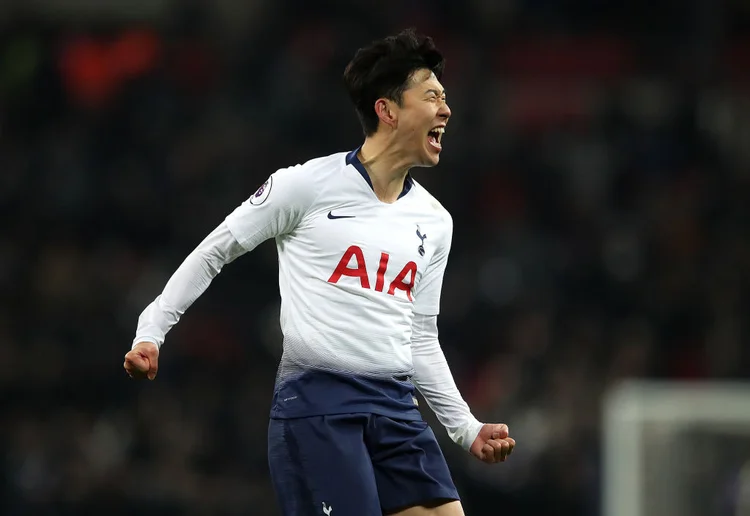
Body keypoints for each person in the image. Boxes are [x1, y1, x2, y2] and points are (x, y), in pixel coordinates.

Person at [124, 28, 515, 516]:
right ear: (387, 110)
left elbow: (420, 337)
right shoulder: (306, 186)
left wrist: (466, 428)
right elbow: (215, 250)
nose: (446, 109)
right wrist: (152, 331)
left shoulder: (435, 222)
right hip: (319, 409)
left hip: (397, 410)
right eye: (432, 96)